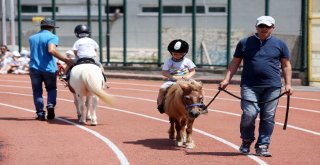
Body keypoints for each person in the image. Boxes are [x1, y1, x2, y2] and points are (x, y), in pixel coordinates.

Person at [219, 16, 293, 157]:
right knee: (250, 113)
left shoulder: (280, 44)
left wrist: (288, 84)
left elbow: (286, 65)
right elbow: (235, 62)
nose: (264, 29)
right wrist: (226, 79)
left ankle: (263, 145)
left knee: (268, 117)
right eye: (261, 26)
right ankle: (247, 140)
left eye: (267, 26)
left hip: (273, 86)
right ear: (256, 27)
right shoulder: (245, 43)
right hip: (249, 85)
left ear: (273, 28)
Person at [29, 17, 73, 121]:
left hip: (34, 68)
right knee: (52, 89)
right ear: (52, 28)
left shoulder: (32, 38)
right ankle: (50, 105)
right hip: (49, 68)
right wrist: (65, 60)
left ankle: (40, 113)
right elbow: (51, 50)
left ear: (41, 26)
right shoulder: (52, 37)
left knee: (37, 91)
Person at [156, 39, 196, 113]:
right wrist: (172, 77)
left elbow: (193, 71)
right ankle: (160, 104)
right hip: (172, 81)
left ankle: (201, 105)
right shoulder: (169, 61)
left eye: (180, 54)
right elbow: (164, 72)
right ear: (171, 53)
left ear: (184, 53)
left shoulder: (187, 61)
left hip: (186, 80)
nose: (178, 56)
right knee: (162, 88)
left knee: (198, 87)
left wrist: (187, 77)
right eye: (175, 54)